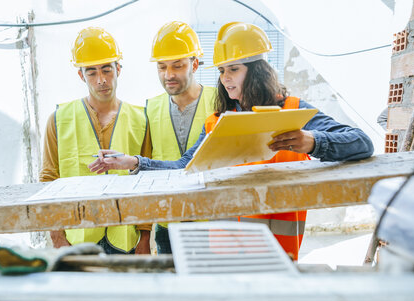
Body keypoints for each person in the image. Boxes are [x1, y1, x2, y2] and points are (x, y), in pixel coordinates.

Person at [89, 22, 374, 260]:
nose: (225, 78)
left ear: (258, 70)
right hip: (226, 251)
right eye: (222, 70)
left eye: (234, 69)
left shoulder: (293, 112)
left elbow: (361, 142)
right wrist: (135, 162)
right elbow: (185, 165)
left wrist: (312, 142)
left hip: (279, 253)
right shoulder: (218, 121)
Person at [40, 27, 152, 254]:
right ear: (81, 75)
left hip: (126, 237)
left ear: (118, 69)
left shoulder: (141, 118)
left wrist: (144, 238)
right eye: (91, 72)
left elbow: (148, 180)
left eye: (106, 69)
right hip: (76, 238)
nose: (101, 80)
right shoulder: (59, 119)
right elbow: (48, 180)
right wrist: (57, 236)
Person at [145, 21, 216, 254]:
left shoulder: (220, 101)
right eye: (162, 67)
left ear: (194, 64)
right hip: (168, 223)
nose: (169, 74)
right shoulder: (150, 109)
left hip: (213, 221)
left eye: (177, 66)